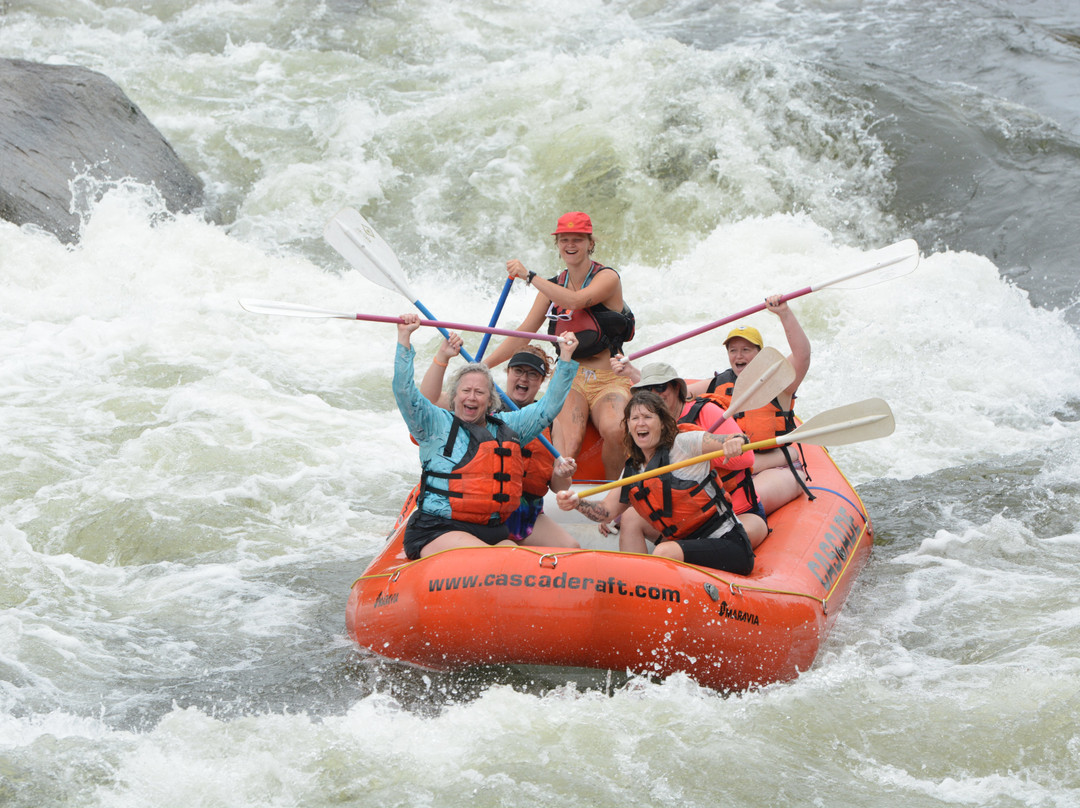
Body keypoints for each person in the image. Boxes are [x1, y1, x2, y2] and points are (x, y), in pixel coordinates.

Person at [393, 313, 579, 559]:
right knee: (495, 558)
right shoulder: (434, 424)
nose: (472, 397)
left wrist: (566, 358)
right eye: (466, 391)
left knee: (519, 562)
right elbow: (405, 393)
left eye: (479, 392)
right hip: (438, 527)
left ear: (490, 400)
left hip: (490, 528)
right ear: (454, 396)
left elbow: (549, 407)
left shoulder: (508, 427)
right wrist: (404, 339)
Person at [484, 211, 635, 480]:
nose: (570, 245)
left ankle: (615, 495)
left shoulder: (608, 278)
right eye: (564, 239)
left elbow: (577, 301)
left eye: (577, 239)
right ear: (558, 244)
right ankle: (560, 496)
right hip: (571, 377)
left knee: (615, 429)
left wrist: (530, 276)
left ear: (590, 242)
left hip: (610, 379)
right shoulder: (552, 288)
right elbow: (522, 335)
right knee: (567, 445)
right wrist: (483, 366)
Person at [556, 391, 754, 574]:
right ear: (629, 427)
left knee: (664, 552)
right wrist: (577, 504)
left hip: (728, 543)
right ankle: (634, 582)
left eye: (648, 417)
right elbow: (606, 511)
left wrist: (736, 441)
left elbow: (733, 438)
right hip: (686, 543)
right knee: (631, 519)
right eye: (635, 418)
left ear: (662, 423)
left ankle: (646, 587)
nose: (640, 423)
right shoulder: (633, 470)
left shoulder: (685, 444)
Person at [606, 360, 767, 549]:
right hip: (685, 524)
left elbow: (747, 458)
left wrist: (695, 452)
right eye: (647, 390)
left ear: (676, 388)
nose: (654, 394)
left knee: (716, 542)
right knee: (630, 518)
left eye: (660, 387)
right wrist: (610, 513)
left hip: (733, 515)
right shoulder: (649, 430)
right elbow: (636, 473)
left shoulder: (706, 412)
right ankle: (636, 576)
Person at [686, 294, 811, 513]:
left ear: (759, 354)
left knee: (738, 506)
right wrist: (632, 373)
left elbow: (802, 355)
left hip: (777, 466)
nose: (738, 355)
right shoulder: (719, 383)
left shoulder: (778, 383)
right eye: (733, 350)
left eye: (746, 350)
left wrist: (784, 314)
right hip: (734, 469)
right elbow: (673, 396)